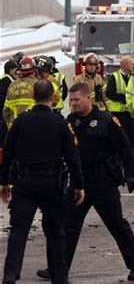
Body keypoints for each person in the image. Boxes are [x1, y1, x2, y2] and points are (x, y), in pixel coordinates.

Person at [36, 82, 134, 281]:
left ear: (89, 98)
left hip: (103, 182)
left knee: (117, 225)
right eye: (72, 100)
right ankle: (58, 269)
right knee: (67, 227)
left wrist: (131, 175)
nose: (74, 103)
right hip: (80, 183)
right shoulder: (70, 121)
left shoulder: (106, 120)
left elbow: (126, 149)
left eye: (77, 100)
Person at [1, 80, 85, 284]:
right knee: (56, 232)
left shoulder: (21, 121)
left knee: (19, 231)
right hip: (51, 184)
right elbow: (73, 156)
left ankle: (11, 274)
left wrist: (4, 183)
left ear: (32, 97)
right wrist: (79, 185)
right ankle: (59, 277)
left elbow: (8, 154)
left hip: (24, 183)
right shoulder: (60, 123)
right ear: (53, 98)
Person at [106, 57, 134, 158]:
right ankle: (122, 159)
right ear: (125, 65)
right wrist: (125, 98)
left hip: (131, 114)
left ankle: (132, 159)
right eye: (131, 64)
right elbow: (109, 94)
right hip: (118, 114)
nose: (133, 66)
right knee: (121, 138)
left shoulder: (133, 77)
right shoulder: (114, 77)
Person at [3, 56, 37, 129]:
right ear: (34, 70)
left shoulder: (12, 85)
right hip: (32, 127)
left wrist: (10, 127)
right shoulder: (37, 85)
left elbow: (6, 111)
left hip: (15, 128)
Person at [0, 60, 18, 146]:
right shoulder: (6, 82)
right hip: (3, 118)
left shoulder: (8, 80)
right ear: (11, 70)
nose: (18, 71)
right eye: (16, 69)